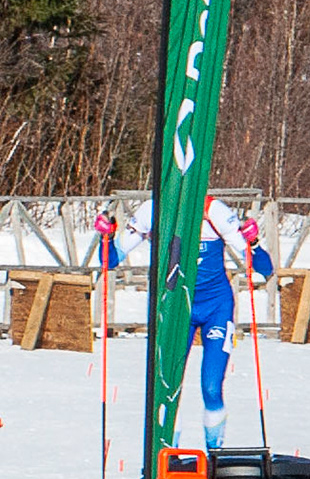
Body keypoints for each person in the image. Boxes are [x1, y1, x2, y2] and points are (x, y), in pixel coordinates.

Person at [115, 185, 273, 450]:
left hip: (216, 307)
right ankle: (170, 456)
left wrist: (254, 242)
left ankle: (214, 455)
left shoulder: (213, 210)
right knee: (169, 388)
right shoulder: (152, 211)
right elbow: (110, 259)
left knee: (211, 387)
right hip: (178, 308)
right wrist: (106, 237)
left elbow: (265, 268)